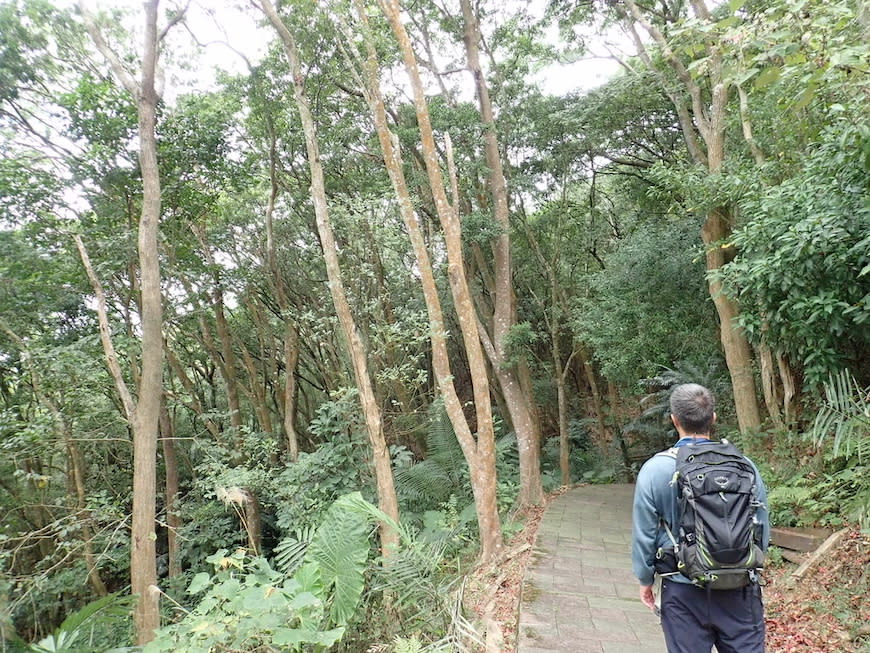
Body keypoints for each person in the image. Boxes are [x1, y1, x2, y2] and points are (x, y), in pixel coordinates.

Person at [631, 383, 770, 653]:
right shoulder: (744, 466)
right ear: (713, 418)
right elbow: (761, 526)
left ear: (674, 420)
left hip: (682, 588)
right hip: (740, 589)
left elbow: (644, 535)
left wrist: (645, 579)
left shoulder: (655, 469)